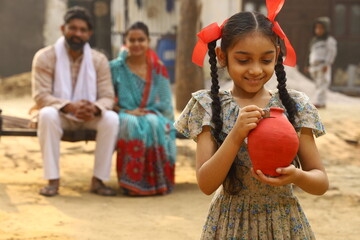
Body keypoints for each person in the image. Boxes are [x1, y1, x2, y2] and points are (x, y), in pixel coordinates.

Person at [174, 1, 329, 239]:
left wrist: (296, 176)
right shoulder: (208, 106)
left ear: (277, 55)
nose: (256, 70)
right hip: (230, 225)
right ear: (222, 57)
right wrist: (236, 134)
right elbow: (206, 184)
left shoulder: (295, 107)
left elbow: (320, 182)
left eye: (266, 60)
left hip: (283, 222)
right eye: (244, 60)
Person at [31, 6, 119, 197]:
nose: (77, 34)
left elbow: (107, 97)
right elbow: (41, 95)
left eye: (82, 30)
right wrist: (69, 106)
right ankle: (52, 180)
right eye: (73, 28)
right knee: (46, 114)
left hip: (88, 115)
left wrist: (94, 108)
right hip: (60, 114)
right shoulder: (45, 57)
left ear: (89, 34)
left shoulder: (98, 60)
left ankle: (98, 180)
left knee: (111, 119)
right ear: (63, 29)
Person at [110, 22, 176, 196]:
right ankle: (131, 183)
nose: (137, 44)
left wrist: (155, 115)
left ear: (148, 41)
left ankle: (156, 183)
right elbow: (106, 99)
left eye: (141, 39)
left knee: (154, 123)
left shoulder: (157, 68)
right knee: (130, 124)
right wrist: (124, 111)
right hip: (124, 113)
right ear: (125, 42)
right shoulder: (115, 68)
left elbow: (166, 102)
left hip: (152, 113)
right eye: (132, 40)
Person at [306, 16, 337, 109]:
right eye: (317, 28)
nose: (318, 30)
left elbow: (331, 53)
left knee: (322, 84)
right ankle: (320, 102)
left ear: (326, 29)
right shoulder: (314, 41)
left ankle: (320, 102)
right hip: (313, 66)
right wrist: (307, 65)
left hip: (322, 65)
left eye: (321, 28)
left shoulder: (329, 41)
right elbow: (310, 53)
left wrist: (327, 63)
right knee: (317, 85)